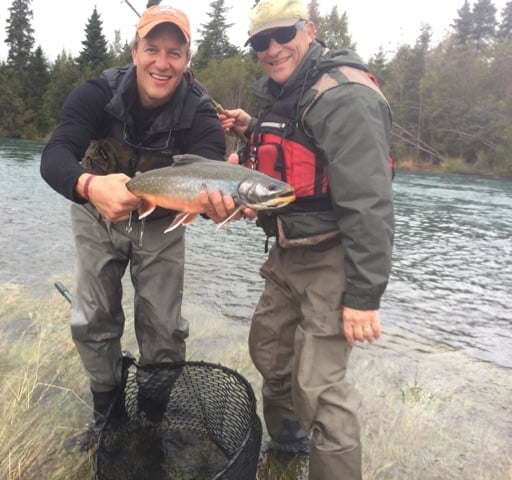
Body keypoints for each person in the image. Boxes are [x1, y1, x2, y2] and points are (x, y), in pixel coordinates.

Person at [211, 0, 394, 477]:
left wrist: (364, 297)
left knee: (320, 389)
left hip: (334, 261)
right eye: (259, 42)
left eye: (282, 35)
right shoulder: (286, 90)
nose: (271, 50)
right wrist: (253, 128)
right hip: (287, 253)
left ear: (309, 30)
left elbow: (370, 204)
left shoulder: (348, 96)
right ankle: (288, 445)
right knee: (271, 353)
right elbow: (300, 144)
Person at [40, 4, 228, 451]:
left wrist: (220, 206)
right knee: (93, 316)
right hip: (95, 208)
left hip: (162, 222)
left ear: (187, 61)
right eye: (153, 49)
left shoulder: (200, 115)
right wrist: (88, 185)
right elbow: (54, 157)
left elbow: (215, 178)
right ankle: (106, 414)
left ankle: (152, 419)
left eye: (175, 54)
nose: (162, 63)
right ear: (134, 50)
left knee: (164, 327)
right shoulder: (97, 93)